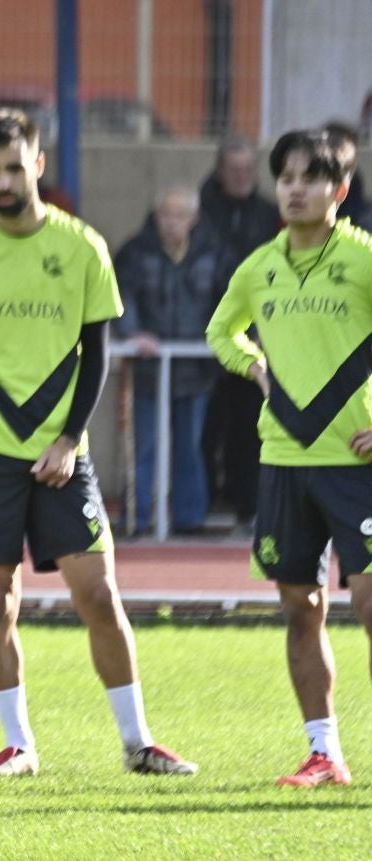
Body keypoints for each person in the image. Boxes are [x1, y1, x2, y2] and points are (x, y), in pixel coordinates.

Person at [0, 108, 197, 777]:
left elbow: (98, 351)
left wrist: (72, 438)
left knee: (98, 594)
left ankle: (138, 741)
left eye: (14, 167)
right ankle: (18, 743)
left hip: (58, 453)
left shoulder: (82, 247)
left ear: (39, 165)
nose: (2, 181)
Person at [204, 129, 372, 788]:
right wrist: (254, 367)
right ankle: (323, 752)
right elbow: (221, 330)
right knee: (301, 605)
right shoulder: (259, 266)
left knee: (368, 597)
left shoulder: (362, 260)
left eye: (310, 177)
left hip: (355, 464)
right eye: (286, 177)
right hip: (284, 459)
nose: (295, 188)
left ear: (340, 190)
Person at [114, 185, 228, 537]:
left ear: (193, 219)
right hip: (147, 369)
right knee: (143, 446)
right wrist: (132, 333)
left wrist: (221, 336)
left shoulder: (215, 253)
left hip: (196, 369)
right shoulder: (135, 251)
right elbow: (120, 296)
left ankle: (189, 519)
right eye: (165, 214)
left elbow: (230, 299)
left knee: (189, 447)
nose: (170, 223)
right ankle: (136, 517)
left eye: (179, 215)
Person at [198, 138, 279, 525]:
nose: (242, 178)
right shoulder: (201, 211)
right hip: (210, 335)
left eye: (249, 170)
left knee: (249, 424)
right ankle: (211, 498)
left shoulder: (269, 214)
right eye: (235, 171)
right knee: (208, 427)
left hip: (254, 338)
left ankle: (248, 500)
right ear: (220, 172)